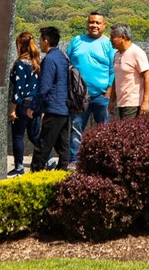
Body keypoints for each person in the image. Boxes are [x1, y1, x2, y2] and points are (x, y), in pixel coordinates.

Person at [66, 11, 115, 164]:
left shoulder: (108, 44)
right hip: (78, 95)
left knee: (104, 130)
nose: (94, 25)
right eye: (91, 22)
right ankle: (75, 160)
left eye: (97, 23)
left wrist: (108, 91)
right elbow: (66, 64)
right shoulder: (77, 41)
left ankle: (103, 160)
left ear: (104, 25)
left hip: (101, 95)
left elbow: (113, 69)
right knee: (76, 129)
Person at [28, 26, 70, 172]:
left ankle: (35, 175)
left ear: (46, 41)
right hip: (64, 107)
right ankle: (63, 173)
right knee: (62, 145)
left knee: (43, 145)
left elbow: (44, 87)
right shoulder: (63, 57)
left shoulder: (49, 59)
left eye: (40, 40)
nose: (39, 44)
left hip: (53, 107)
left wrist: (34, 107)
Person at [8, 31, 42, 177]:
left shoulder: (21, 64)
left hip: (23, 104)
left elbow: (18, 88)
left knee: (18, 136)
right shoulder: (36, 63)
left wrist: (13, 108)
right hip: (35, 103)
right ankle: (47, 158)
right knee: (34, 135)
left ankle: (19, 167)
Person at [108, 23, 149, 120]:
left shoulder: (136, 52)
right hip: (121, 102)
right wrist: (111, 101)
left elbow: (147, 77)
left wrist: (145, 102)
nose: (110, 40)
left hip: (133, 103)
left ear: (122, 37)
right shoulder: (117, 54)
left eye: (112, 37)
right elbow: (117, 77)